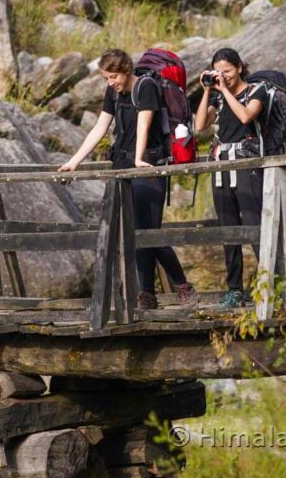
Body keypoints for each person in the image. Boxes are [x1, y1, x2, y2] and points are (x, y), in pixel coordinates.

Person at [59, 48, 196, 308]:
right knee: (132, 231)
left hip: (149, 165)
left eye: (114, 77)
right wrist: (75, 161)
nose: (111, 83)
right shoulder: (114, 91)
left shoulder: (146, 87)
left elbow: (144, 123)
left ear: (126, 70)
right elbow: (101, 127)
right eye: (106, 79)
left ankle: (182, 285)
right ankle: (146, 294)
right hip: (121, 165)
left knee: (149, 231)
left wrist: (138, 158)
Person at [194, 47, 266, 308]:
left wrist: (224, 89)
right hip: (222, 168)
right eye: (218, 71)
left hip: (248, 169)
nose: (223, 75)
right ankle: (234, 289)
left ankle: (273, 285)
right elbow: (200, 126)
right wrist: (207, 90)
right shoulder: (218, 98)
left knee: (255, 227)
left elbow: (247, 115)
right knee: (228, 231)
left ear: (239, 68)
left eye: (227, 70)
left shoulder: (256, 91)